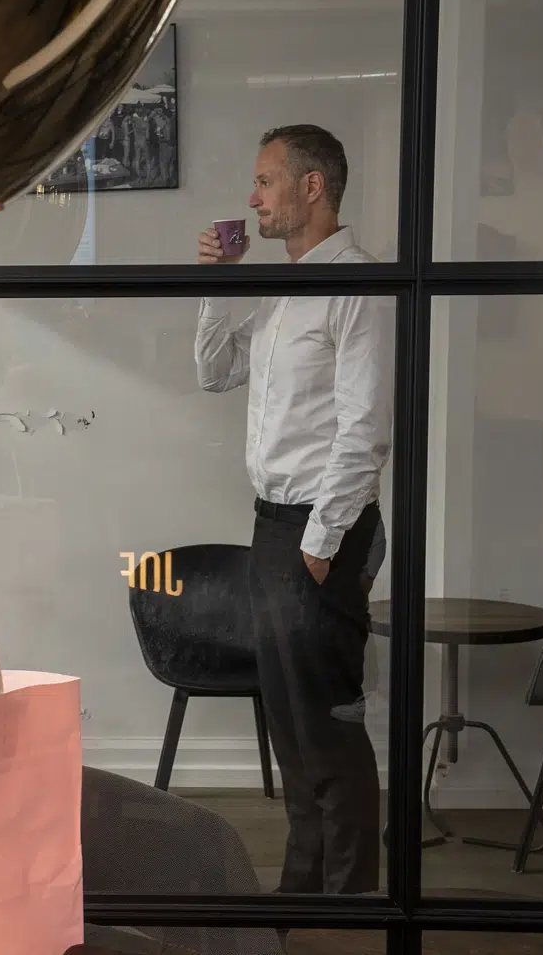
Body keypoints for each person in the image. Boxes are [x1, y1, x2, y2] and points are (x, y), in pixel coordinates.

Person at [194, 124, 393, 896]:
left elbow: (365, 429)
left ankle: (351, 900)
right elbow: (216, 372)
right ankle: (306, 890)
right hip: (273, 526)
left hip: (321, 529)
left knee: (329, 724)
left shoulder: (359, 286)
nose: (253, 198)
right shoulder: (284, 286)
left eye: (266, 180)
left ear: (313, 187)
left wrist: (320, 542)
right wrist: (217, 280)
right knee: (290, 723)